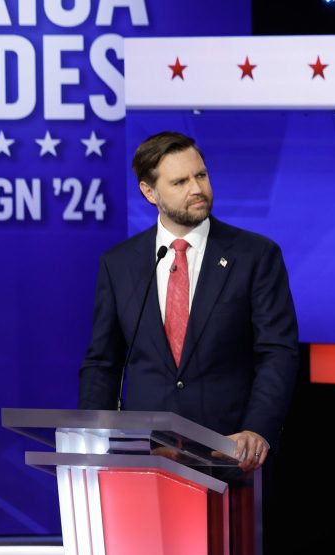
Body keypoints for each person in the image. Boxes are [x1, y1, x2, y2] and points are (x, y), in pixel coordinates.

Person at [78, 131, 299, 471]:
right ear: (149, 192)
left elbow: (277, 352)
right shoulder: (119, 263)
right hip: (145, 456)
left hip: (228, 453)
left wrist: (257, 429)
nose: (197, 189)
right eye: (180, 182)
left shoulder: (255, 256)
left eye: (201, 175)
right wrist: (90, 441)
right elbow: (103, 363)